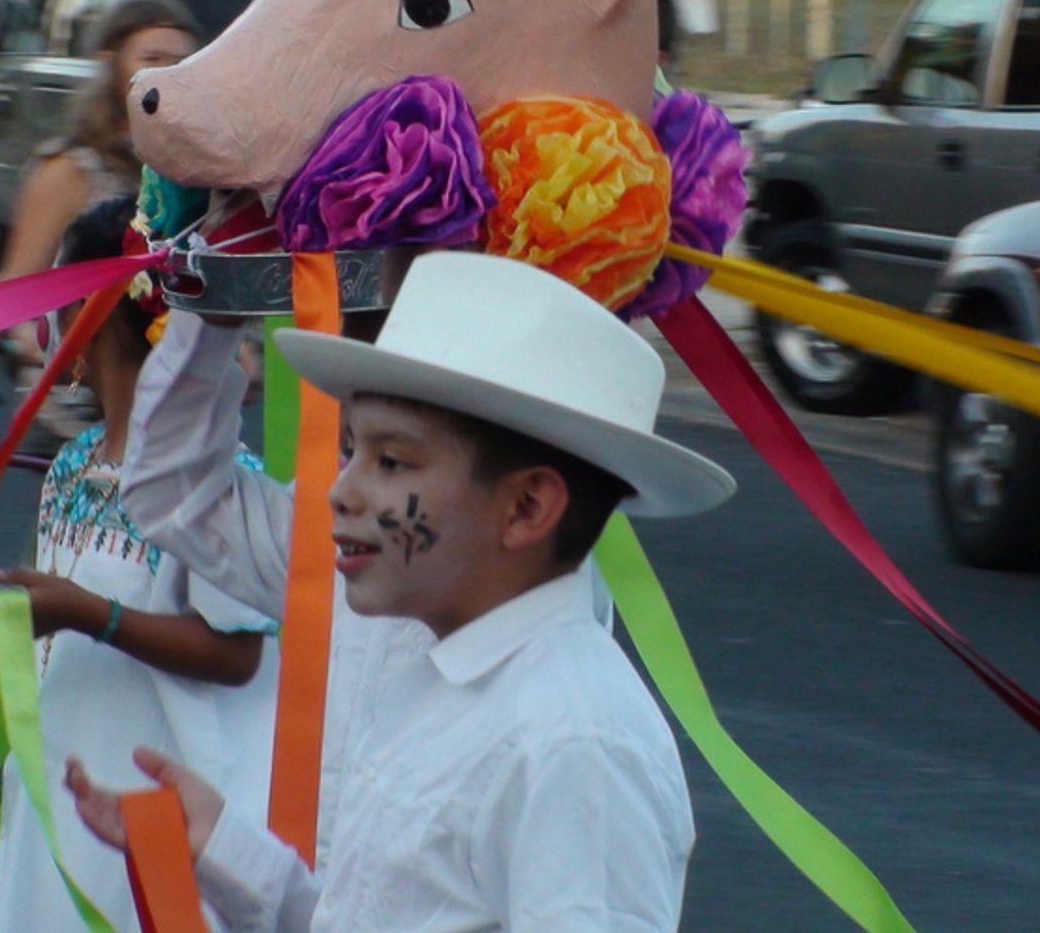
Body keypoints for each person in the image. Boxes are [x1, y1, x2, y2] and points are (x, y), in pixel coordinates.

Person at [70, 251, 736, 930]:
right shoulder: (438, 683)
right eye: (351, 448)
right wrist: (222, 848)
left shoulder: (573, 741)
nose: (341, 490)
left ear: (528, 508)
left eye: (391, 461)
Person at [0, 196, 280, 932]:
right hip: (56, 793)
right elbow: (52, 651)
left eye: (54, 298)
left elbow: (239, 652)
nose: (39, 322)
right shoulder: (74, 466)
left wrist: (94, 615)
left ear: (91, 312)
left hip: (143, 805)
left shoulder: (211, 483)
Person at [0, 0, 201, 362]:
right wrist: (61, 355)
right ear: (112, 66)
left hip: (170, 397)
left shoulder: (193, 170)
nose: (168, 75)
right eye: (151, 60)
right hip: (81, 393)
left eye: (181, 63)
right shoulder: (73, 167)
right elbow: (12, 297)